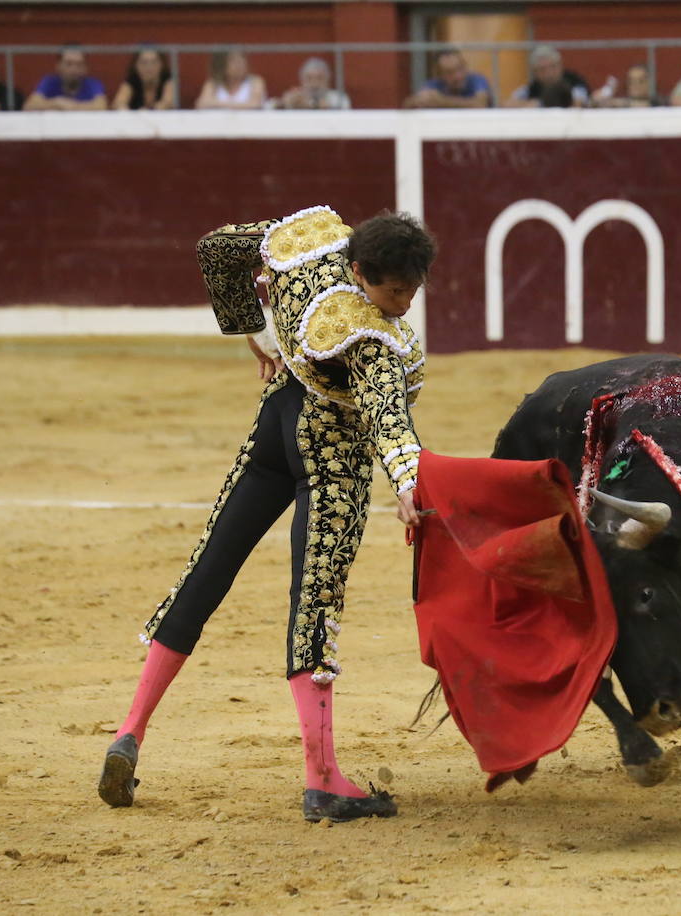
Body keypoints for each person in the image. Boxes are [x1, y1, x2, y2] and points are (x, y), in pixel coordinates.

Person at [98, 207, 434, 823]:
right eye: (392, 290)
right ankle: (324, 779)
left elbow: (220, 249)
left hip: (277, 421)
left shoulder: (315, 245)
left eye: (413, 290)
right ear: (360, 271)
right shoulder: (373, 338)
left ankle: (130, 732)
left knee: (207, 569)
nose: (403, 304)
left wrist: (253, 331)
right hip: (333, 448)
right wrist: (408, 483)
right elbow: (387, 414)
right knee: (315, 602)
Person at [24, 45, 107, 111]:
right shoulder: (49, 82)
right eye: (68, 64)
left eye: (79, 64)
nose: (74, 69)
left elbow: (102, 106)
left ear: (85, 68)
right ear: (58, 66)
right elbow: (29, 106)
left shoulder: (92, 84)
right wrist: (56, 103)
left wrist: (72, 106)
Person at [404, 48, 492, 108]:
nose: (458, 76)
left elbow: (481, 104)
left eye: (460, 68)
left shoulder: (476, 80)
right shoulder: (434, 84)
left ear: (466, 66)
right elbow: (409, 104)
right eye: (450, 72)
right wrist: (418, 101)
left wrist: (442, 101)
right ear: (439, 75)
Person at [505, 46, 590, 108]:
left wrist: (544, 103)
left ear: (560, 65)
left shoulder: (574, 81)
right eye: (542, 69)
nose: (549, 73)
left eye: (553, 67)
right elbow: (507, 105)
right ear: (535, 72)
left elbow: (579, 102)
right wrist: (534, 104)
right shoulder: (532, 88)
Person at [194, 49, 266, 110]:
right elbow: (201, 104)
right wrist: (241, 105)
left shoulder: (255, 81)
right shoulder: (213, 83)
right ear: (222, 64)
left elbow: (255, 104)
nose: (239, 65)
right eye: (233, 61)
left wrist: (216, 104)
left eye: (241, 60)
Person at [273, 57, 352, 109]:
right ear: (302, 80)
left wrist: (307, 104)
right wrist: (284, 103)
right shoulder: (295, 98)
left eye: (319, 78)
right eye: (309, 78)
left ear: (328, 80)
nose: (314, 84)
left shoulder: (338, 98)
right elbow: (271, 105)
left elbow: (339, 106)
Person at [112, 46, 176, 110]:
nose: (149, 68)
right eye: (144, 63)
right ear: (135, 66)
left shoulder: (168, 80)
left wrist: (152, 112)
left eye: (154, 62)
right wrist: (130, 112)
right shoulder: (132, 81)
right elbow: (118, 103)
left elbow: (168, 103)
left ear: (162, 64)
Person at [591, 64, 666, 107]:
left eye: (641, 81)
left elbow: (644, 105)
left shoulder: (658, 101)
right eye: (631, 81)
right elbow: (594, 103)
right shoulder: (622, 102)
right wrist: (598, 98)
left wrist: (615, 103)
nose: (635, 85)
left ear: (650, 83)